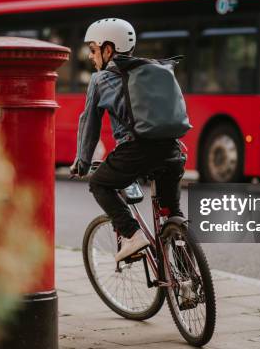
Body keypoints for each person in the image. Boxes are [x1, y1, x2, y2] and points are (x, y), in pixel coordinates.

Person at [70, 18, 185, 262]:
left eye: (93, 50)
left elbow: (89, 123)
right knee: (173, 215)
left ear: (108, 50)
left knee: (100, 184)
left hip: (136, 151)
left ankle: (132, 235)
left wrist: (82, 162)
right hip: (172, 149)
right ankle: (188, 281)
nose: (91, 57)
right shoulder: (156, 69)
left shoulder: (99, 80)